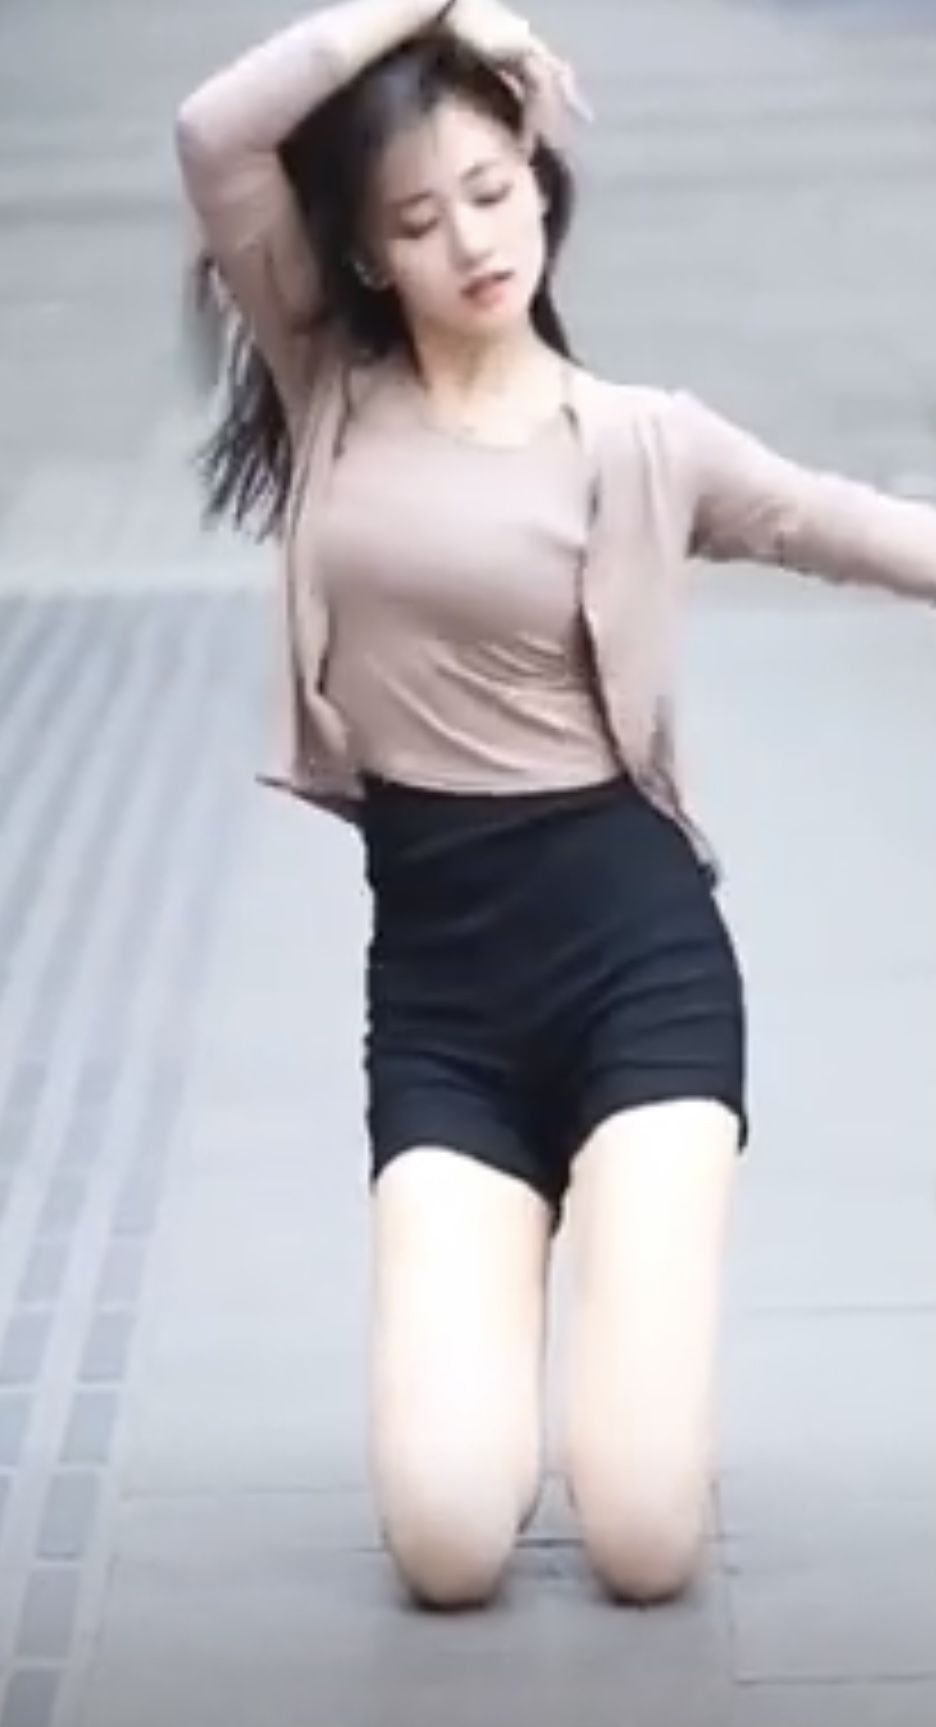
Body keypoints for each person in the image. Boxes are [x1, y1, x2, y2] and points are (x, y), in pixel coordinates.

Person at [175, 0, 936, 1612]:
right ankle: (513, 1336)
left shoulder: (644, 441)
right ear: (363, 252)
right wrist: (442, 7)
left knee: (645, 1544)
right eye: (416, 217)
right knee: (451, 1547)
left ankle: (627, 1370)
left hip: (641, 973)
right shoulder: (330, 383)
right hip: (442, 1002)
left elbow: (849, 526)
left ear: (540, 178)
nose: (471, 241)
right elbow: (215, 132)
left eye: (492, 189)